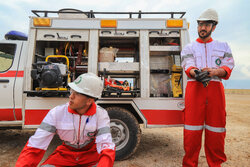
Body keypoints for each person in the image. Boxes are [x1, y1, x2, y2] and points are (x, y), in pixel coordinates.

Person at [16, 73, 116, 167]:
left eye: (77, 93)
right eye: (72, 91)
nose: (71, 96)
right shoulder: (56, 113)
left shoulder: (100, 115)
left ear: (89, 101)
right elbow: (35, 146)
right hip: (65, 155)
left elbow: (106, 147)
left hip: (91, 156)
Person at [181, 9, 235, 167]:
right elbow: (187, 64)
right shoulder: (189, 47)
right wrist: (195, 73)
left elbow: (229, 65)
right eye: (200, 24)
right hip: (195, 91)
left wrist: (216, 71)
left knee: (216, 132)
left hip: (215, 94)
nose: (202, 28)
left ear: (214, 27)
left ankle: (215, 164)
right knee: (191, 133)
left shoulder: (223, 46)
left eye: (206, 25)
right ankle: (190, 164)